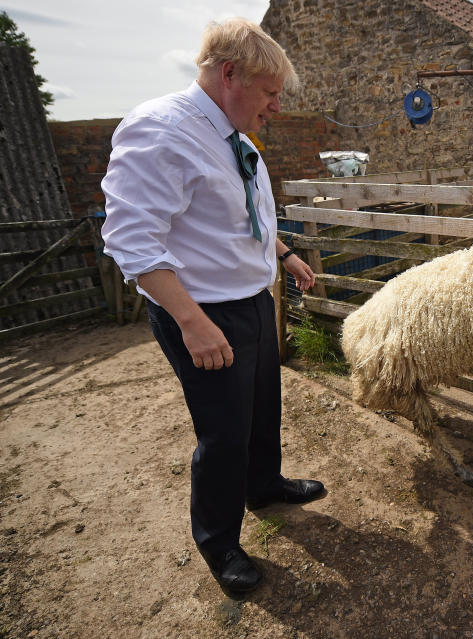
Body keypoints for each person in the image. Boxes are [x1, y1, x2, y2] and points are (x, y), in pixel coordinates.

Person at [101, 18, 327, 597]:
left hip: (251, 299)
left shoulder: (235, 135)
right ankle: (220, 542)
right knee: (223, 431)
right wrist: (193, 322)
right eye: (271, 92)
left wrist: (286, 254)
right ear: (230, 74)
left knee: (260, 407)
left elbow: (237, 220)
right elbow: (131, 239)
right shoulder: (159, 131)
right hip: (204, 313)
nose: (276, 105)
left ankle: (264, 485)